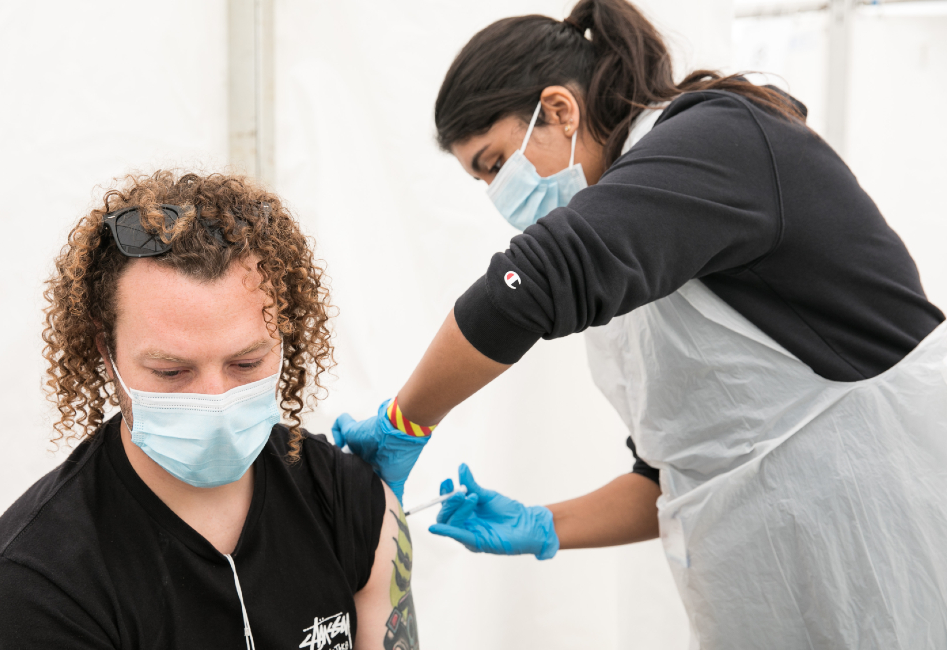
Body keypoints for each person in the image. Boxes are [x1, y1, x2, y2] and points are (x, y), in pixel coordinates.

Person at [333, 0, 947, 646]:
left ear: (561, 109)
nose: (496, 195)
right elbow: (674, 473)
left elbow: (525, 288)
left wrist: (408, 419)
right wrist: (544, 525)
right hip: (779, 591)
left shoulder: (715, 142)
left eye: (494, 164)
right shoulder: (640, 252)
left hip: (889, 543)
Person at [0, 172, 419, 650]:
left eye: (246, 362)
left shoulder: (347, 500)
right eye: (171, 372)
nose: (215, 399)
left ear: (283, 339)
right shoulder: (35, 584)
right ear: (106, 353)